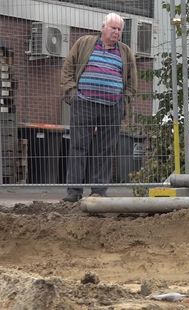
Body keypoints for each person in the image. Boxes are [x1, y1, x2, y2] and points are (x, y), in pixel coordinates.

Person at [60, 12, 138, 202]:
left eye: (119, 29)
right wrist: (72, 94)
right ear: (103, 27)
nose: (116, 32)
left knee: (105, 149)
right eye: (113, 28)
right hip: (84, 103)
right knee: (79, 146)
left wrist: (123, 100)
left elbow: (132, 80)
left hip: (112, 107)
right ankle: (74, 192)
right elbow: (68, 67)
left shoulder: (125, 51)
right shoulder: (84, 43)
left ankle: (99, 192)